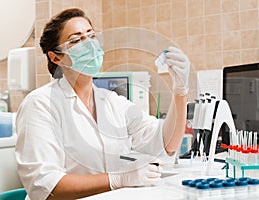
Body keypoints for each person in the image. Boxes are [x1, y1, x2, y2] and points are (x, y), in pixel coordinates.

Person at [15, 8, 190, 200]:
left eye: (91, 36)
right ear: (56, 57)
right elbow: (46, 186)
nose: (89, 45)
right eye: (76, 40)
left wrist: (180, 92)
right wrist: (117, 179)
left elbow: (167, 145)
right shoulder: (40, 105)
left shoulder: (113, 103)